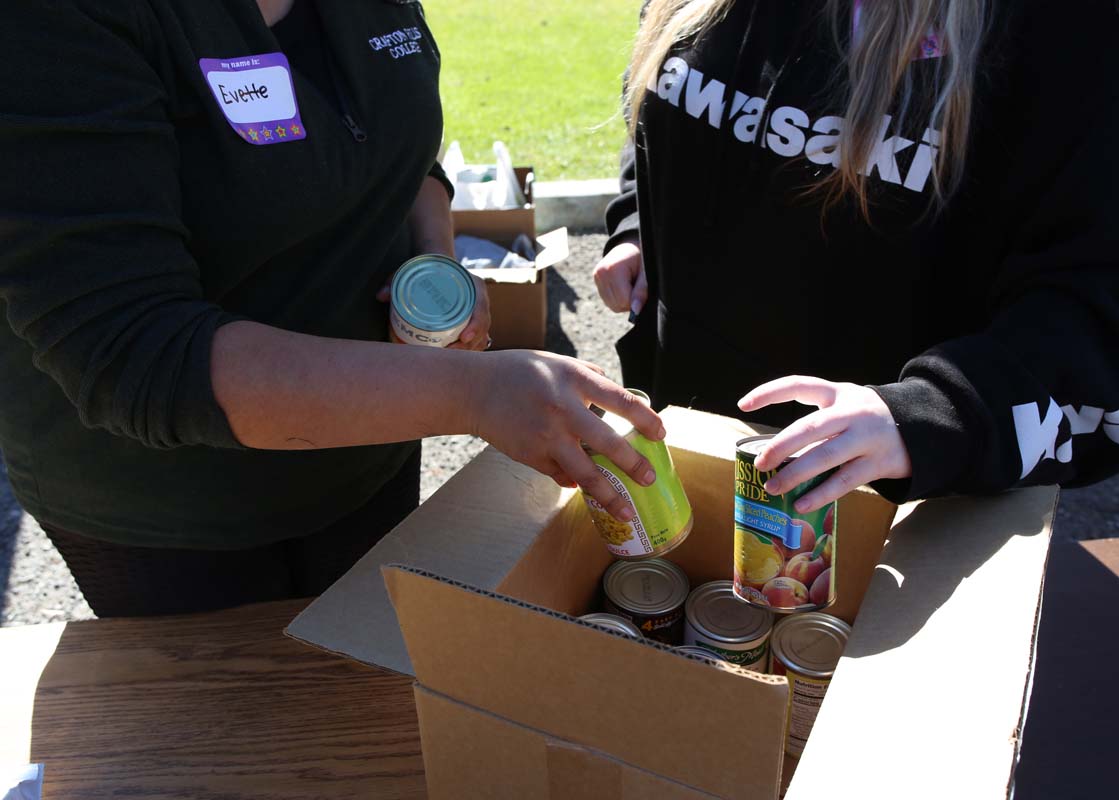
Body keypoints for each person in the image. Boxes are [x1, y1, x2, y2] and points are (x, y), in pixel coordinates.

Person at [0, 0, 664, 617]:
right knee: (234, 722)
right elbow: (131, 349)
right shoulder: (57, 22)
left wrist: (435, 260)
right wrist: (473, 392)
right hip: (166, 509)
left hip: (371, 442)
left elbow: (396, 147)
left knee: (365, 671)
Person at [594, 0, 1119, 511]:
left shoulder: (1069, 25)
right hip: (687, 446)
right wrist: (641, 221)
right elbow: (668, 97)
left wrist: (934, 414)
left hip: (897, 519)